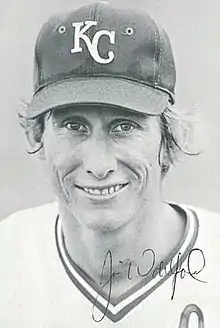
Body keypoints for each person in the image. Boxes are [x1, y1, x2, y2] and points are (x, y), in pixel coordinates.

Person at [1, 2, 219, 327]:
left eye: (124, 126)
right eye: (73, 125)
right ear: (38, 135)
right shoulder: (8, 256)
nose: (99, 165)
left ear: (167, 136)